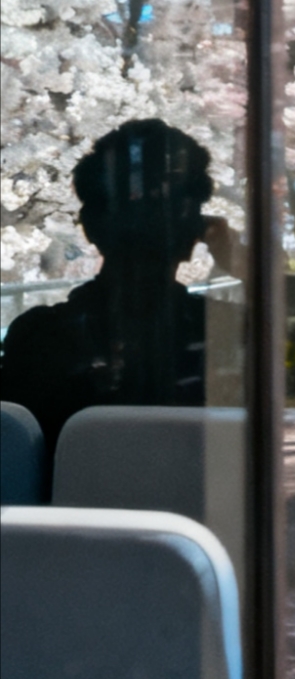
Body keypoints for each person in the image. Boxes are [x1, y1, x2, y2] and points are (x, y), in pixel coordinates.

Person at [1, 120, 220, 479]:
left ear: (90, 227)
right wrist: (248, 266)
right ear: (197, 231)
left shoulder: (38, 338)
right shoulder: (230, 331)